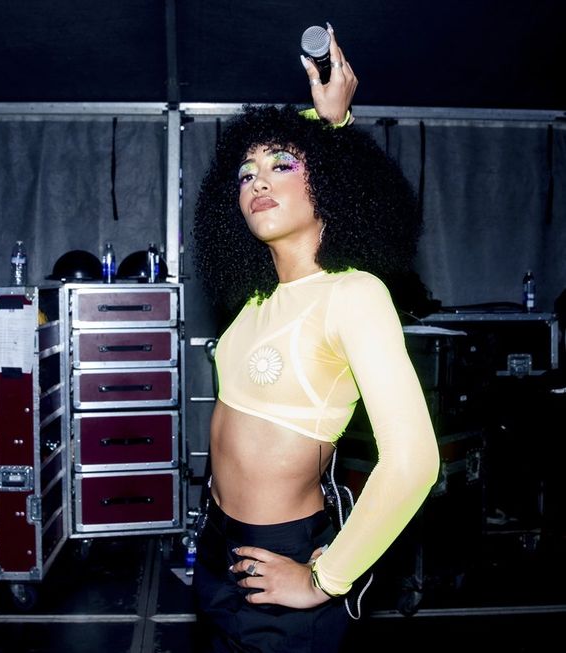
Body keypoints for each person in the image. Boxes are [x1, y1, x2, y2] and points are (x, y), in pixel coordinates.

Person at [190, 24, 440, 652]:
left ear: (327, 183)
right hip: (217, 542)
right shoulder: (256, 298)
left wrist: (324, 580)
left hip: (283, 557)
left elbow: (414, 462)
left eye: (281, 166)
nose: (258, 182)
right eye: (245, 173)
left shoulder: (353, 294)